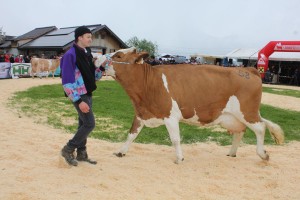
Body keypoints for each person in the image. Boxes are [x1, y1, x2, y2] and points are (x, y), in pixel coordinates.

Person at [60, 26, 106, 166]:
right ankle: (68, 149)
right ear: (79, 37)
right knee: (89, 124)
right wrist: (79, 101)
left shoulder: (87, 52)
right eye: (88, 36)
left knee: (82, 124)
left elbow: (93, 76)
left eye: (90, 37)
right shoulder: (70, 55)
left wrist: (102, 68)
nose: (90, 39)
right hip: (79, 95)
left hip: (88, 93)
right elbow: (67, 82)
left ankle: (81, 153)